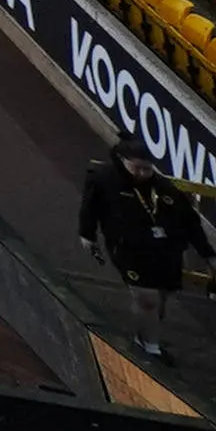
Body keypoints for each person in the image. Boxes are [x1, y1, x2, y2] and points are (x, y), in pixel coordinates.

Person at [80, 133, 199, 361]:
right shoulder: (103, 178)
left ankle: (146, 335)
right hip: (127, 247)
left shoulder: (159, 186)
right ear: (123, 161)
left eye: (147, 169)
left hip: (160, 248)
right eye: (137, 168)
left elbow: (181, 216)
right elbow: (89, 207)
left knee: (160, 297)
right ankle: (150, 347)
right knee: (148, 298)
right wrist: (88, 234)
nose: (143, 174)